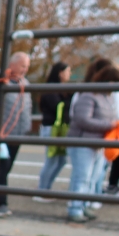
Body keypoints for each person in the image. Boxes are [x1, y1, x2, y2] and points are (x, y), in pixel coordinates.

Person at [67, 62, 119, 222]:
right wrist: (109, 125)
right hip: (83, 142)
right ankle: (75, 208)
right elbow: (82, 119)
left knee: (92, 178)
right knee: (82, 177)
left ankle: (83, 206)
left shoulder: (107, 98)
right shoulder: (88, 96)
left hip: (98, 143)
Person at [0, 52, 32, 217]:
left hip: (18, 133)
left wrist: (26, 127)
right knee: (2, 166)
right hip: (2, 132)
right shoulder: (0, 82)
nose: (25, 69)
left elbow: (26, 107)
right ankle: (1, 203)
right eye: (22, 65)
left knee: (5, 168)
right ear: (12, 65)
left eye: (27, 66)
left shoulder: (24, 83)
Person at [35, 61, 71, 200]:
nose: (69, 74)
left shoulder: (61, 89)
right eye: (68, 71)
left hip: (60, 129)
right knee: (51, 160)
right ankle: (42, 190)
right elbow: (59, 107)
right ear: (60, 73)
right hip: (51, 128)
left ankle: (46, 188)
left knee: (61, 160)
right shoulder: (51, 90)